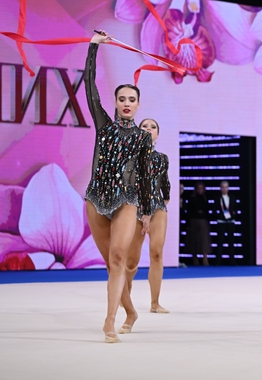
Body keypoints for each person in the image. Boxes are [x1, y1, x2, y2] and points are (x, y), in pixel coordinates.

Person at [83, 30, 153, 343]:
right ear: (115, 102)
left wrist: (147, 211)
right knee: (111, 265)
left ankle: (109, 321)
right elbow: (89, 86)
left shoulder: (142, 137)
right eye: (122, 98)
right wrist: (93, 47)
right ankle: (130, 310)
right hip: (96, 199)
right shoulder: (104, 125)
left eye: (132, 100)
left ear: (138, 106)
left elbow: (146, 174)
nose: (127, 103)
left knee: (118, 259)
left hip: (127, 199)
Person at [125, 118, 171, 314]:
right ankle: (125, 297)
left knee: (157, 253)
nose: (149, 129)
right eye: (145, 126)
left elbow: (165, 184)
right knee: (132, 260)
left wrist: (164, 200)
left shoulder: (162, 158)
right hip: (135, 208)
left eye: (153, 127)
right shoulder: (130, 158)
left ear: (157, 134)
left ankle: (155, 303)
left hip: (157, 207)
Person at [215, 180, 238, 265]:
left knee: (231, 242)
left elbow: (236, 208)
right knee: (220, 242)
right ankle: (218, 261)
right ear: (220, 188)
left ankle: (232, 261)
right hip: (221, 222)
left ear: (228, 188)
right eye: (223, 187)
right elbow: (214, 209)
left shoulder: (232, 197)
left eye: (226, 187)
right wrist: (219, 215)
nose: (224, 189)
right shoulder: (218, 198)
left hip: (231, 221)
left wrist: (234, 213)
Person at [189, 182, 211, 266]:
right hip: (194, 221)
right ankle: (195, 259)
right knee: (194, 240)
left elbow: (207, 210)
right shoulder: (192, 198)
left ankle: (205, 259)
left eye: (201, 188)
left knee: (204, 241)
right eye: (198, 188)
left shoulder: (205, 198)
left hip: (203, 221)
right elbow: (189, 211)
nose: (200, 190)